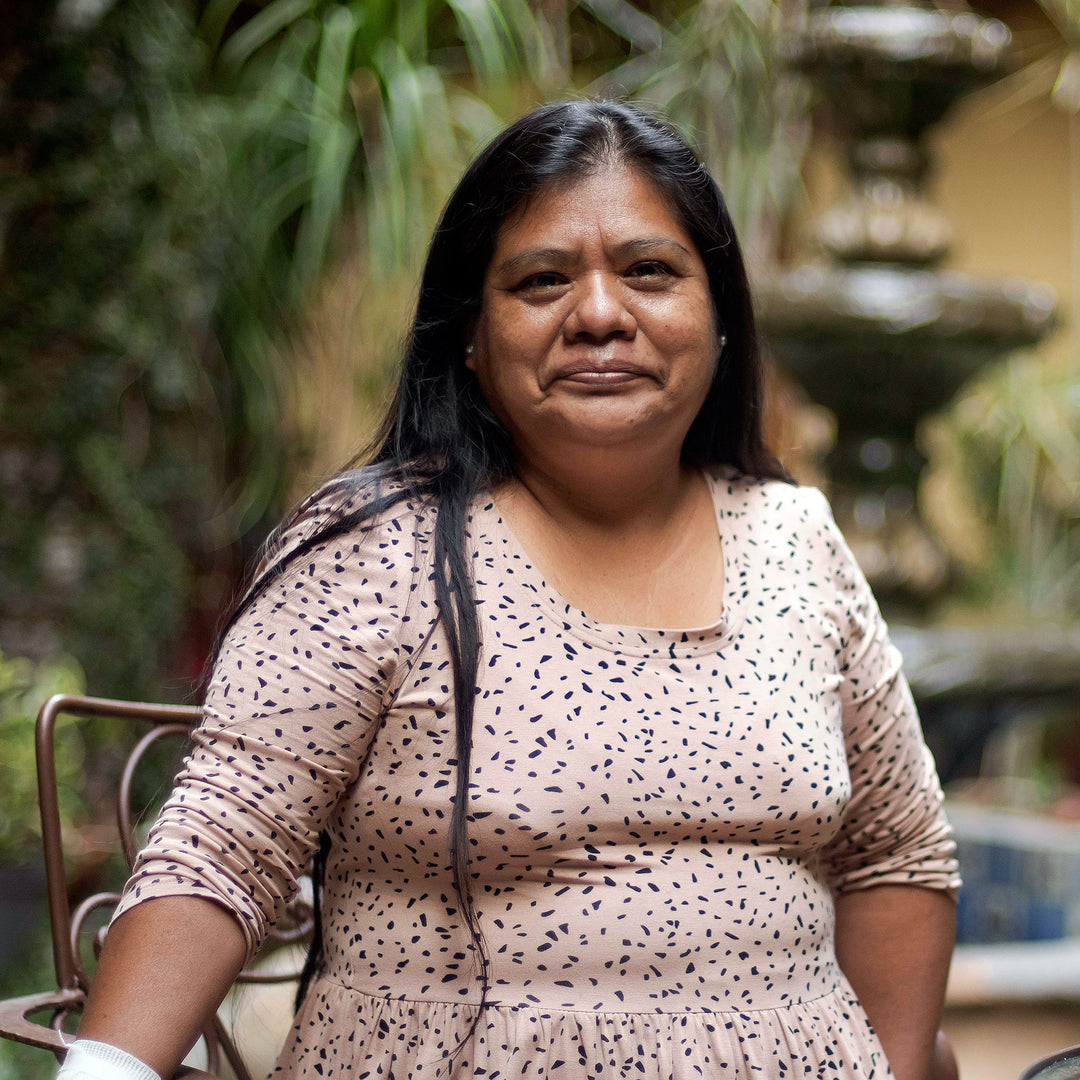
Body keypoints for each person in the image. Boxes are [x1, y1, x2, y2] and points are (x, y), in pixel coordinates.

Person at [59, 99, 960, 1080]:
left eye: (651, 271)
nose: (602, 315)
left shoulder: (796, 540)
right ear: (473, 340)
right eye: (541, 281)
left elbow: (895, 856)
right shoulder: (380, 549)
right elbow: (222, 854)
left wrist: (893, 1067)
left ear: (721, 321)